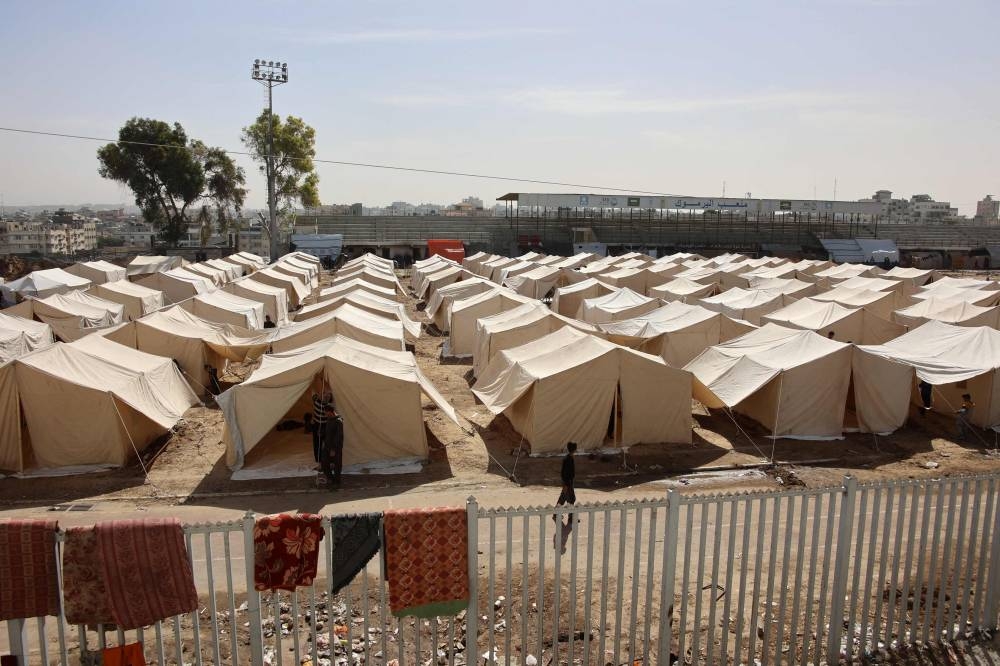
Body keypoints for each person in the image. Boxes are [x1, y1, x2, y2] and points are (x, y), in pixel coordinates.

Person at [320, 405, 344, 487]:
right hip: (327, 446)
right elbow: (329, 433)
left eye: (326, 412)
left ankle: (337, 482)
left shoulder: (338, 421)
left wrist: (333, 449)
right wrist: (322, 433)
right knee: (324, 462)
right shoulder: (329, 420)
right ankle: (330, 478)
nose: (325, 414)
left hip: (335, 447)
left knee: (337, 464)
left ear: (331, 412)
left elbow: (338, 436)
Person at [311, 383, 333, 465]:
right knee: (319, 443)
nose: (326, 395)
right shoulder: (328, 404)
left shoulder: (317, 401)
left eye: (327, 394)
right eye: (324, 393)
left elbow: (313, 393)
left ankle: (322, 460)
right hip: (319, 425)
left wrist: (313, 381)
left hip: (322, 425)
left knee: (322, 443)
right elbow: (314, 393)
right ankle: (321, 461)